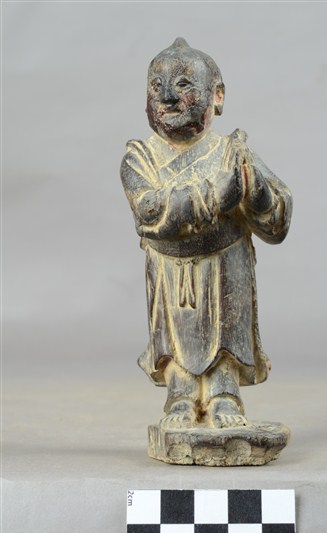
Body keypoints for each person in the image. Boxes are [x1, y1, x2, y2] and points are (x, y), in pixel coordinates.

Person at [120, 38, 292, 430]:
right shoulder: (140, 158)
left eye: (183, 85)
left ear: (217, 96)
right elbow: (150, 212)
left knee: (224, 336)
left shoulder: (231, 152)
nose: (168, 97)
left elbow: (278, 219)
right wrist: (216, 196)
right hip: (169, 272)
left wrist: (254, 191)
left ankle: (223, 395)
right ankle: (180, 396)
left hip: (226, 265)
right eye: (156, 87)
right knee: (176, 342)